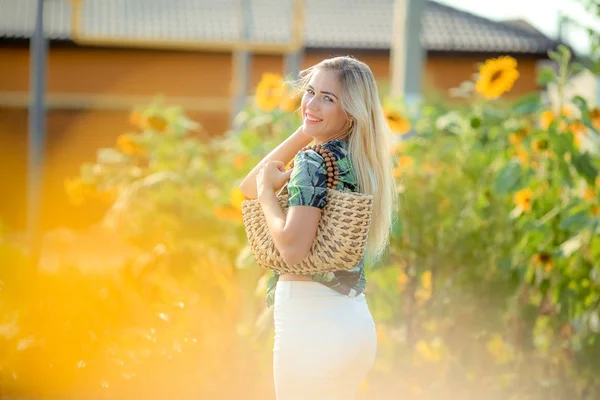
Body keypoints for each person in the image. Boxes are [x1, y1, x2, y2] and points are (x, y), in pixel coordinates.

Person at [239, 56, 397, 400]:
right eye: (309, 92)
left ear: (351, 111)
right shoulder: (359, 158)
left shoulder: (313, 160)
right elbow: (247, 186)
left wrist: (269, 193)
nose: (310, 103)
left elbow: (292, 249)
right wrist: (312, 122)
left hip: (312, 325)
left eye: (328, 98)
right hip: (352, 322)